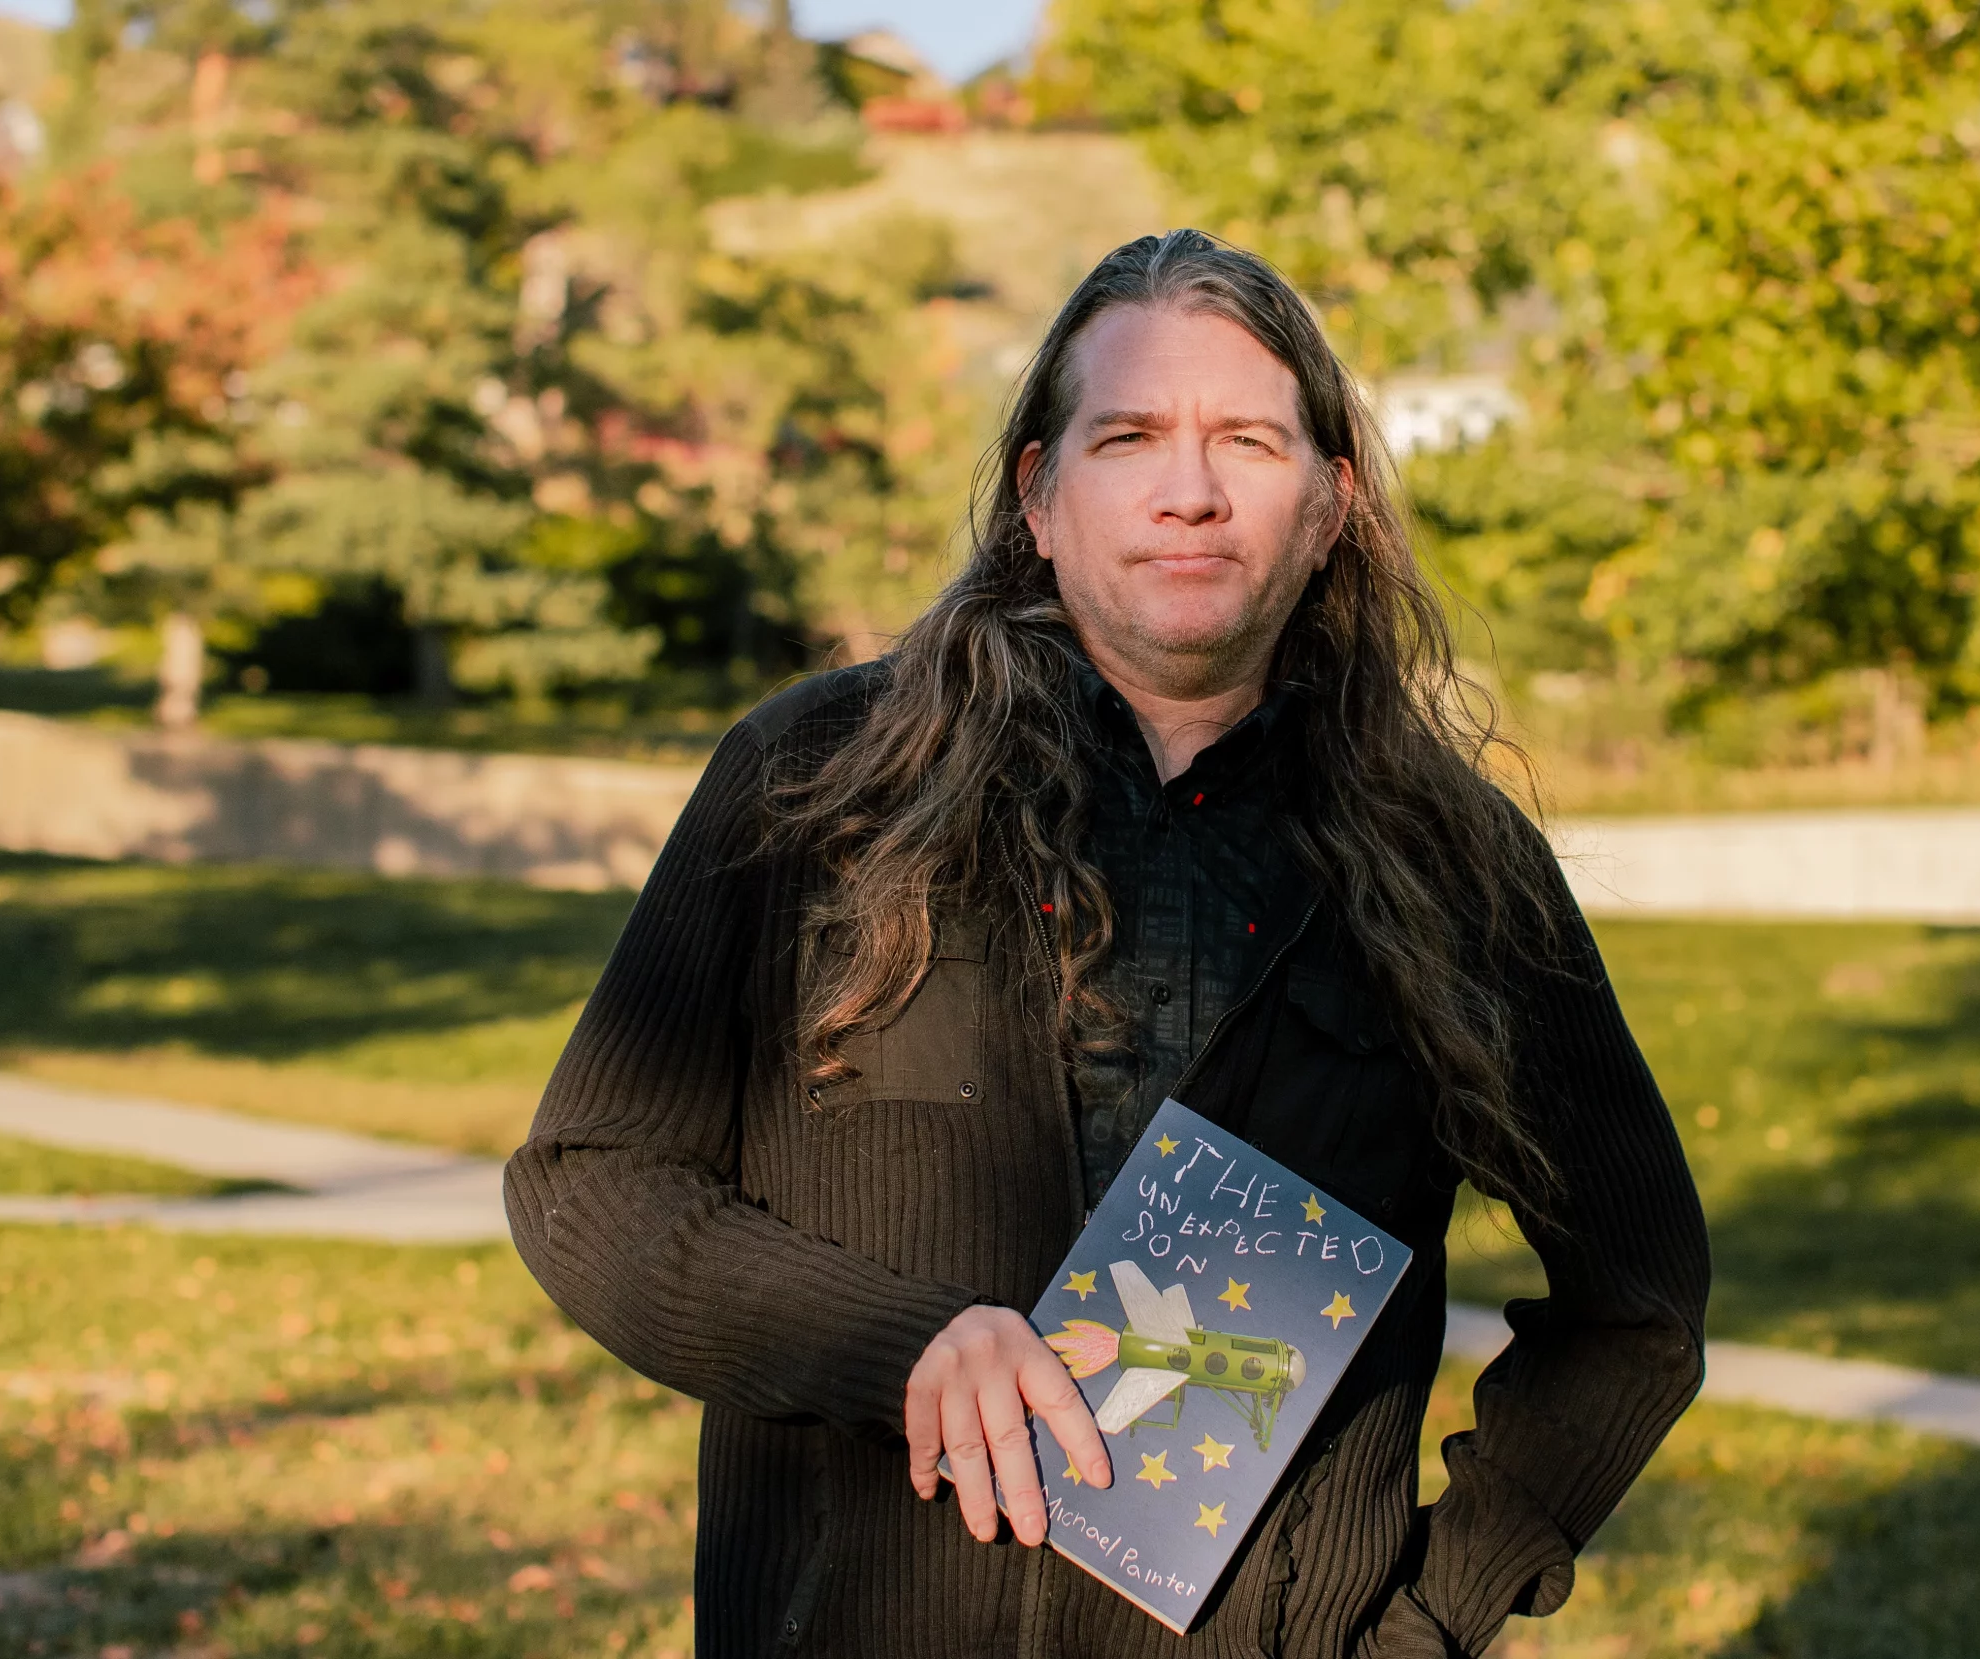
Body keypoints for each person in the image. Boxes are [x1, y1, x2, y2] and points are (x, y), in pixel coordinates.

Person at [505, 230, 1708, 1658]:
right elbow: (593, 1180)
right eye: (1129, 437)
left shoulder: (1456, 865)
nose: (1189, 491)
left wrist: (1431, 1617)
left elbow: (1638, 1304)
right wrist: (898, 1346)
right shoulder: (815, 783)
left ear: (1331, 504)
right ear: (1040, 496)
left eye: (1248, 441)